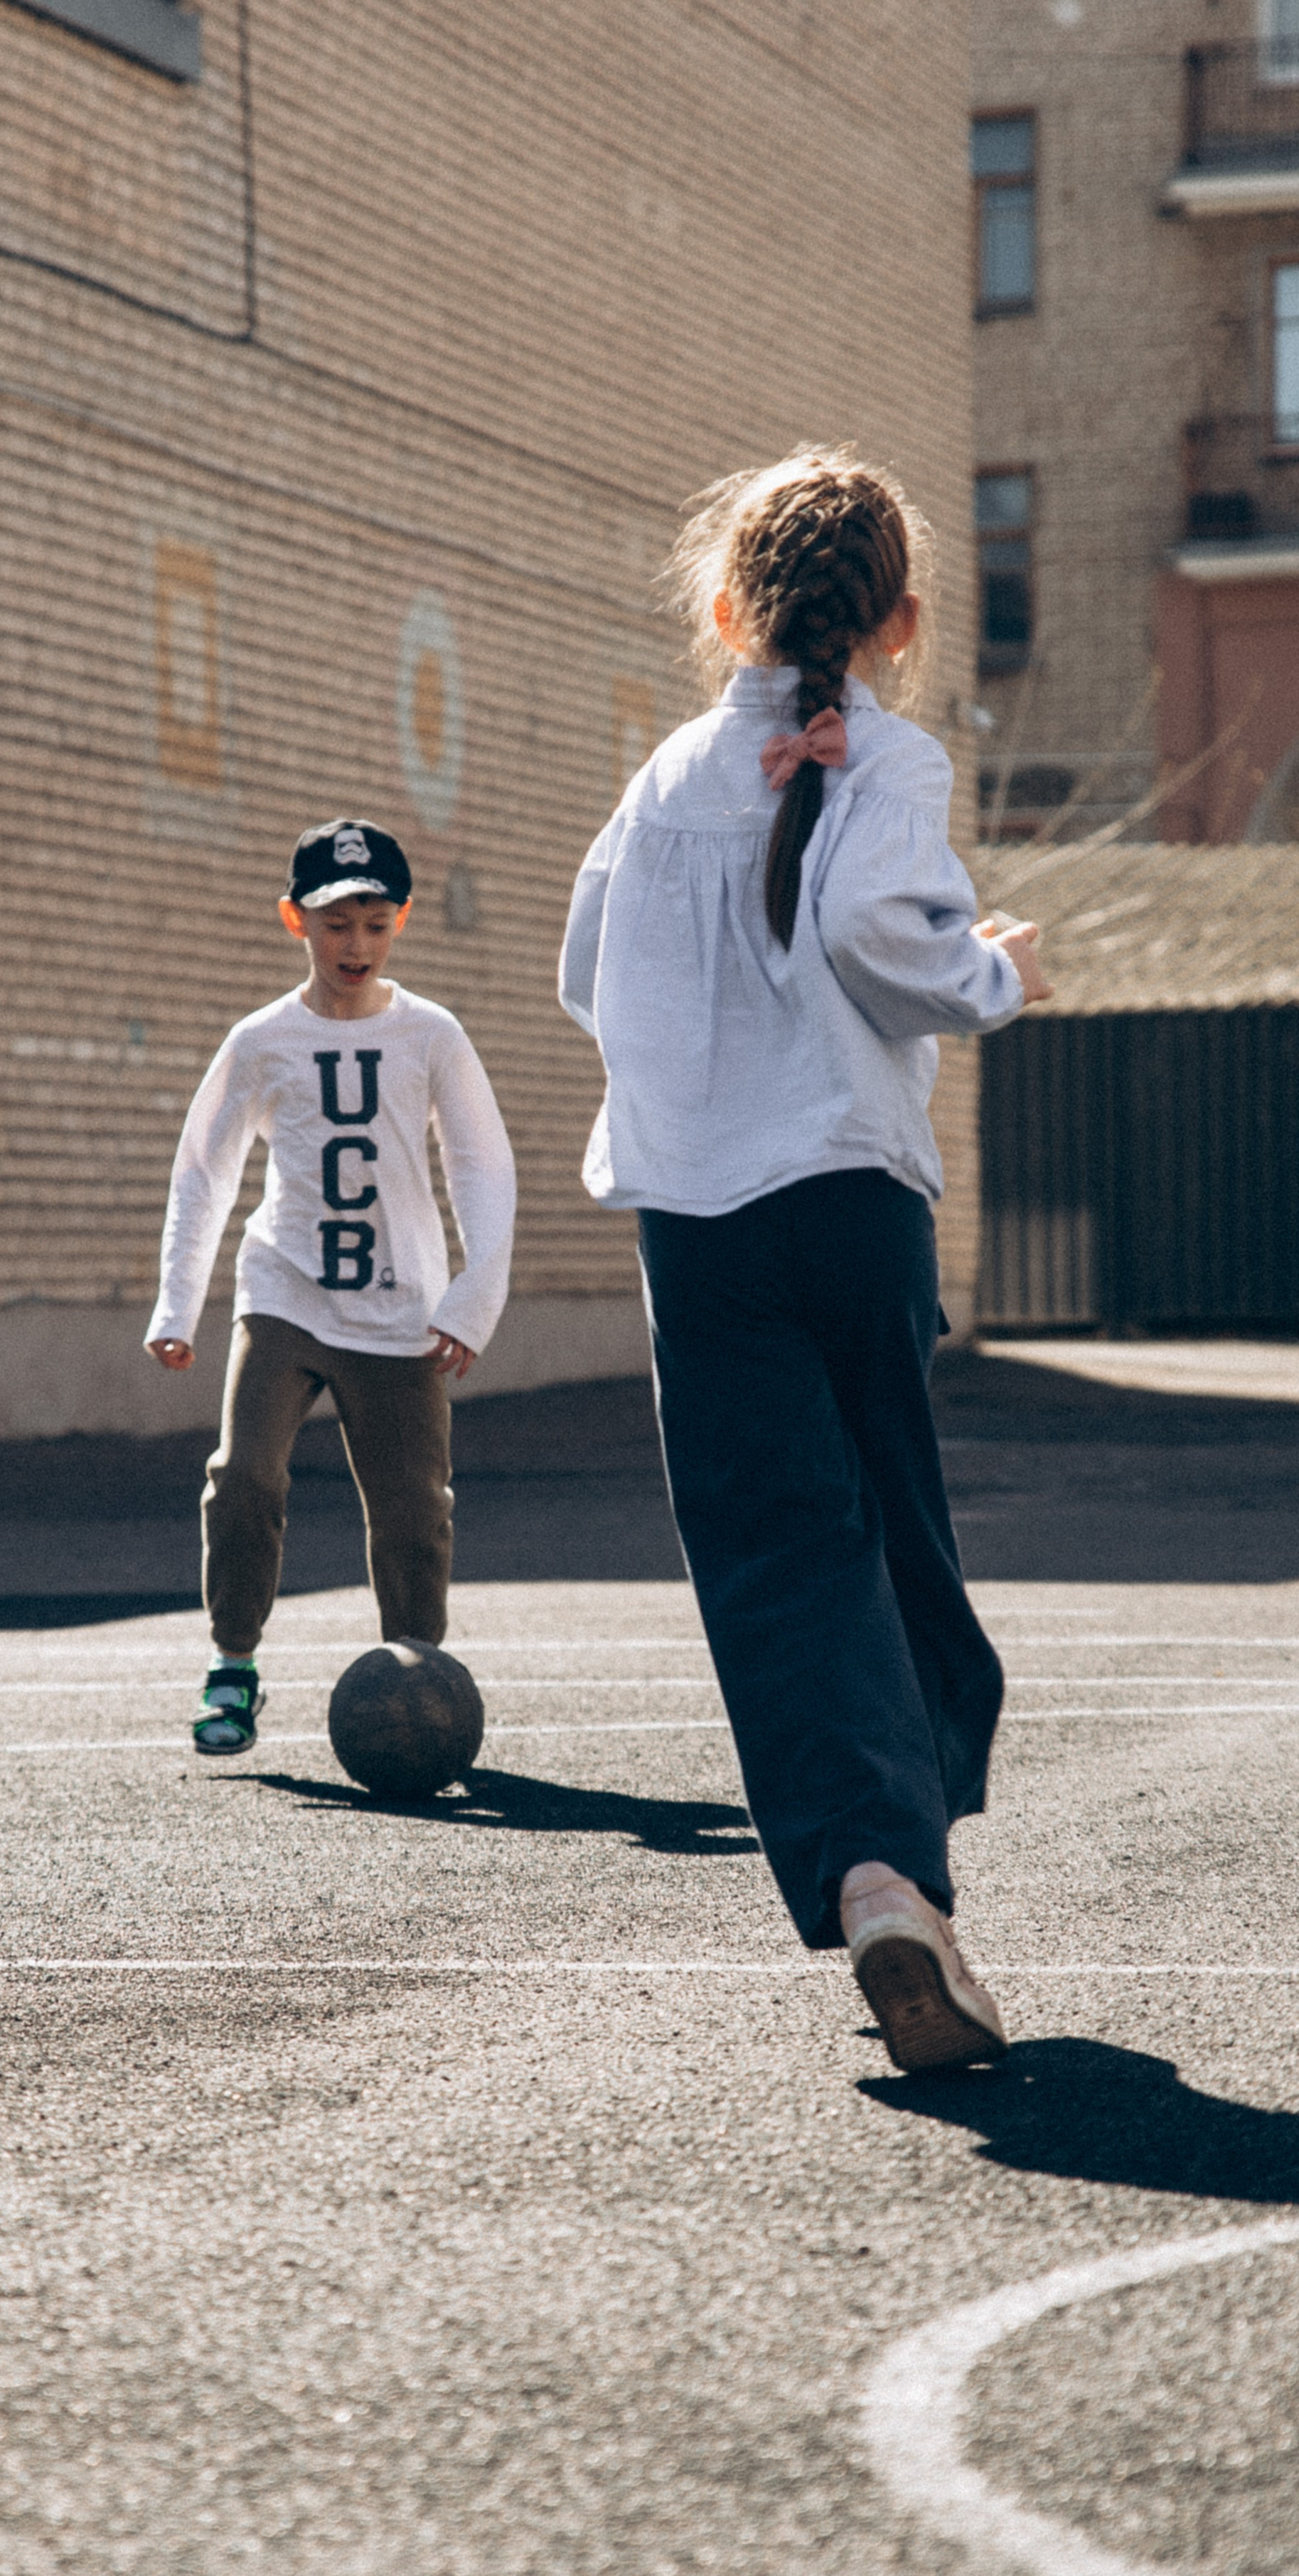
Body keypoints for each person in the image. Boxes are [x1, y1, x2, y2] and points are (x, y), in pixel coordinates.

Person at [560, 447, 1052, 2072]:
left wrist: (692, 1053)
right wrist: (988, 973)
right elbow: (868, 938)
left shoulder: (663, 777)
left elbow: (584, 973)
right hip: (847, 1195)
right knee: (887, 1532)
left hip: (698, 1225)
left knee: (779, 1558)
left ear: (723, 610)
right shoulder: (888, 759)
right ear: (898, 621)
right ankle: (903, 1872)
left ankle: (872, 1876)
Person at [147, 818, 517, 1756]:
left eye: (375, 924)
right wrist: (177, 1304)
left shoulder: (431, 1034)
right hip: (286, 1298)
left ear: (399, 921)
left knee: (412, 1511)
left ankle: (418, 1678)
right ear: (294, 921)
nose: (355, 945)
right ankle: (233, 1665)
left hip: (402, 1311)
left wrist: (475, 1296)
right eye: (334, 924)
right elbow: (204, 1168)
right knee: (242, 1477)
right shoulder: (263, 1038)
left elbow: (481, 1165)